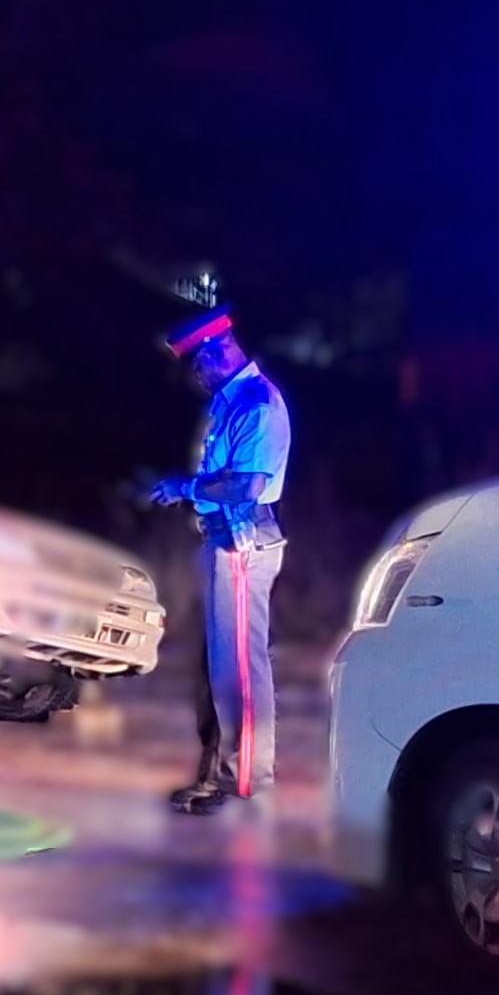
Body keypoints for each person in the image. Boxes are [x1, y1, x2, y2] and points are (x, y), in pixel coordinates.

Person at [147, 304, 293, 815]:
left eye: (197, 367)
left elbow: (246, 486)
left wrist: (184, 486)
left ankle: (245, 783)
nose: (197, 378)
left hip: (241, 540)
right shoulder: (235, 400)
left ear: (213, 353)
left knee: (239, 672)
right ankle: (225, 775)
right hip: (225, 539)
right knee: (221, 668)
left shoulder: (254, 403)